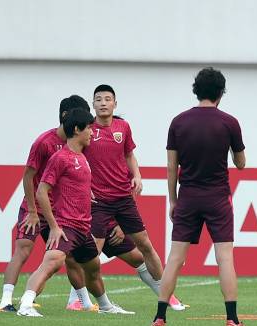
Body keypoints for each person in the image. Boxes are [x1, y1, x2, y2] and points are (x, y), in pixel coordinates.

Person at [152, 67, 246, 326]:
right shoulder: (229, 122)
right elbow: (241, 164)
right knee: (225, 257)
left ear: (196, 90)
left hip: (188, 197)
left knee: (175, 258)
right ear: (221, 93)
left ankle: (160, 316)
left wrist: (173, 200)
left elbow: (172, 167)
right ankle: (232, 319)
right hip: (218, 197)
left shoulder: (178, 122)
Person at [76, 84, 184, 311]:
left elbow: (129, 155)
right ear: (93, 104)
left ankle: (167, 296)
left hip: (124, 199)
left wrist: (137, 175)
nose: (103, 103)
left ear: (115, 103)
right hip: (98, 203)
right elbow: (76, 159)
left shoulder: (123, 127)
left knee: (145, 245)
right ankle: (78, 299)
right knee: (91, 253)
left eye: (107, 99)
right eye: (98, 99)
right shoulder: (86, 130)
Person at [18, 108, 133, 317]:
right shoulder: (60, 157)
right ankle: (25, 305)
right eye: (89, 128)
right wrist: (53, 226)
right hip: (66, 227)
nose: (92, 132)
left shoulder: (81, 156)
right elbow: (42, 190)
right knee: (51, 264)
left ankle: (105, 306)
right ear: (78, 129)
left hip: (83, 228)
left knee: (93, 268)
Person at [0, 96, 94, 312]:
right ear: (66, 117)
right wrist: (32, 210)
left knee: (68, 257)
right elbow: (28, 176)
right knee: (23, 250)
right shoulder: (44, 142)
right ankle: (6, 301)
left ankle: (82, 302)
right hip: (36, 206)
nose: (89, 127)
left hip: (60, 210)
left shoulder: (80, 143)